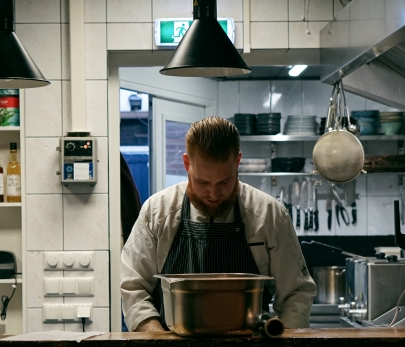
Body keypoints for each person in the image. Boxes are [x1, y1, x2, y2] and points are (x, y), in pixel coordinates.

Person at [121, 116, 316, 332]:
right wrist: (157, 341)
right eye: (203, 182)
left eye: (225, 181)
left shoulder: (269, 215)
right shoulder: (157, 213)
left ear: (237, 162)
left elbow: (297, 293)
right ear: (187, 164)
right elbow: (133, 287)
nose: (214, 194)